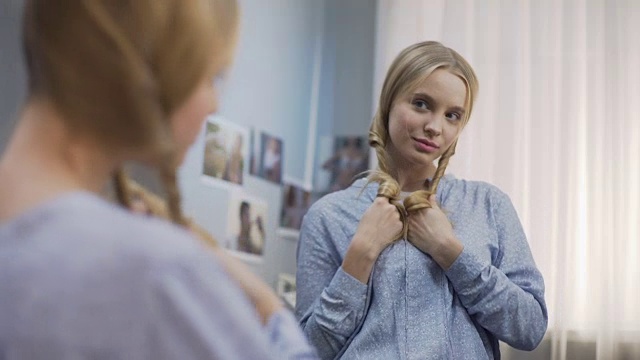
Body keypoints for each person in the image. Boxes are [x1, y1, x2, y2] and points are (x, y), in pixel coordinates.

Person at [0, 1, 317, 359]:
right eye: (212, 77)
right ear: (152, 64)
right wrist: (267, 307)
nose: (214, 104)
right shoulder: (157, 273)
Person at [296, 41, 547, 359]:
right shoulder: (328, 216)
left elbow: (530, 329)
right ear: (389, 103)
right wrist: (359, 256)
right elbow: (309, 351)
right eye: (421, 104)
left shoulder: (489, 205)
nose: (435, 127)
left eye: (452, 115)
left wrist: (451, 252)